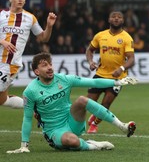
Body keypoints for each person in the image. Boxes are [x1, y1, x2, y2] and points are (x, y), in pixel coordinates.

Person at [6, 52, 138, 153]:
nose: (50, 67)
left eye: (50, 64)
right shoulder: (30, 91)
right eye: (44, 65)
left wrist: (117, 82)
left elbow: (94, 82)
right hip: (54, 131)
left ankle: (122, 126)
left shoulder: (63, 79)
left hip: (73, 121)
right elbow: (28, 118)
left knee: (82, 100)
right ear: (36, 71)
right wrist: (24, 146)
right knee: (72, 141)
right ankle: (93, 145)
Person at [0, 0, 57, 109]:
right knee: (2, 100)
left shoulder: (30, 18)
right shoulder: (1, 15)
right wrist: (2, 41)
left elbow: (43, 38)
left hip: (9, 65)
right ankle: (35, 105)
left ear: (25, 1)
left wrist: (49, 26)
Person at [86, 11, 135, 134]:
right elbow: (90, 50)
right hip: (100, 74)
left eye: (119, 17)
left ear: (123, 21)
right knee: (88, 102)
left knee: (106, 103)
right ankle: (94, 115)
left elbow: (132, 59)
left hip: (117, 78)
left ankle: (94, 124)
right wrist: (91, 61)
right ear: (109, 19)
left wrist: (121, 69)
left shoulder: (127, 38)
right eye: (113, 17)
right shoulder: (100, 35)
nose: (116, 19)